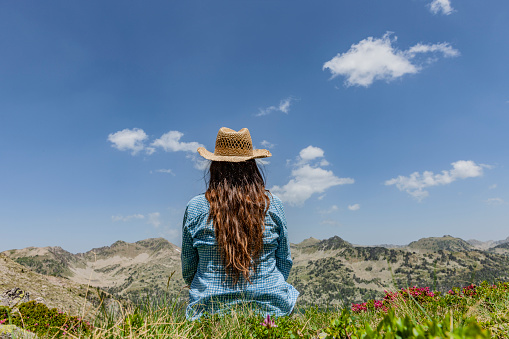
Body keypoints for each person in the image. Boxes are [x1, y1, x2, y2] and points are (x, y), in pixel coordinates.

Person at [181, 127, 299, 320]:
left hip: (209, 313)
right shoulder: (273, 205)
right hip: (271, 312)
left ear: (215, 166)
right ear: (252, 167)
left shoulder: (195, 207)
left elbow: (189, 267)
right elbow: (284, 261)